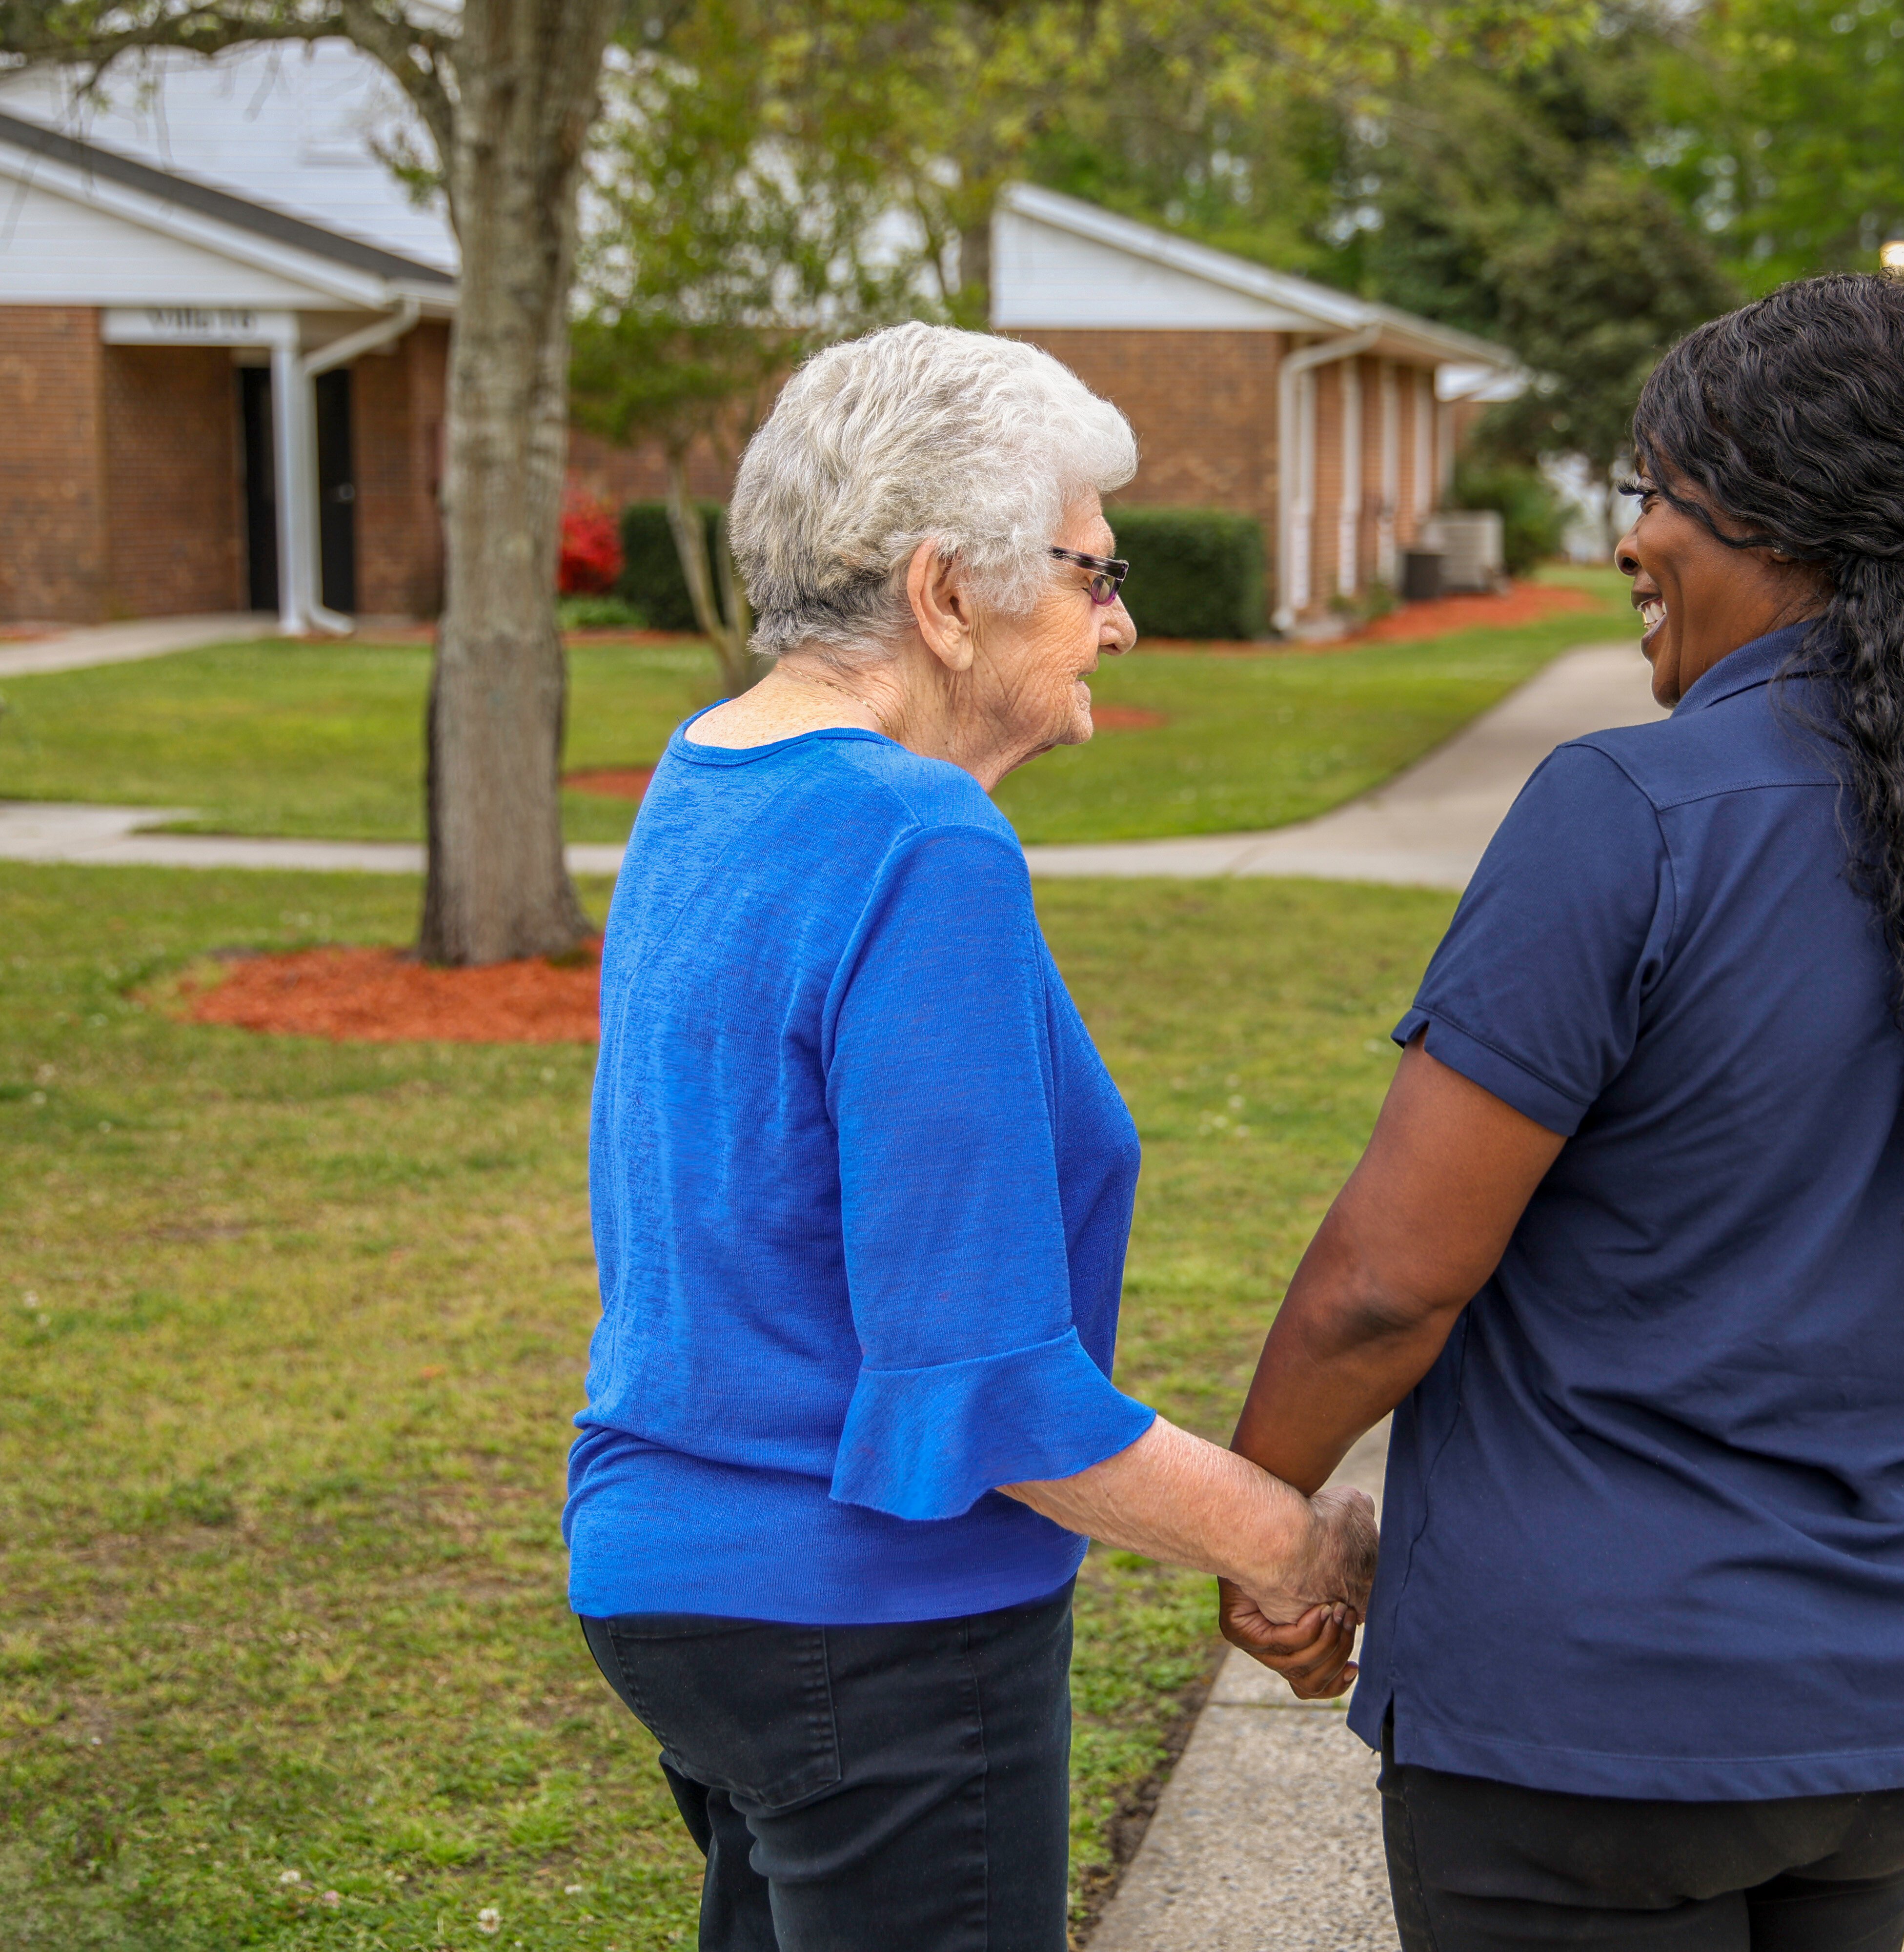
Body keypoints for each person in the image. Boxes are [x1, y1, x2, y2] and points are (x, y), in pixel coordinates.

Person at [1222, 274, 1904, 1951]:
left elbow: (1389, 1285)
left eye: (1653, 490)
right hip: (1903, 1705)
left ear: (1775, 510)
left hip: (1584, 1723)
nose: (1630, 540)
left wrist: (1263, 1522)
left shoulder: (1627, 811)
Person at [564, 322, 1375, 1952]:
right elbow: (990, 1395)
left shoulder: (709, 774)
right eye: (1092, 572)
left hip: (675, 1586)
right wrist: (1290, 1542)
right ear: (946, 595)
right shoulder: (922, 838)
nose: (1121, 622)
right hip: (868, 1625)